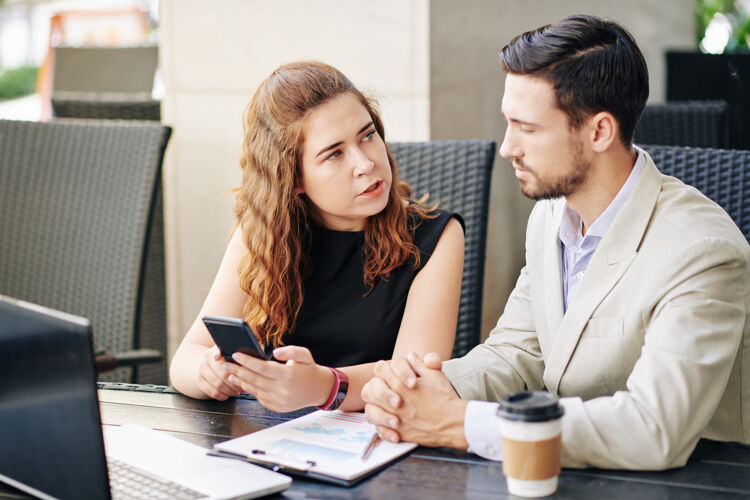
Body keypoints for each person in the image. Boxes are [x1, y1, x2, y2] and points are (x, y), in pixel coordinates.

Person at [362, 14, 750, 470]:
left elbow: (654, 427)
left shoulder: (701, 250)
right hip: (574, 473)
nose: (507, 147)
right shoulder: (550, 216)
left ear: (599, 131)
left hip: (699, 479)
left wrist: (457, 422)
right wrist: (419, 389)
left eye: (527, 128)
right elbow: (519, 350)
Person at [170, 61, 464, 413]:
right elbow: (185, 359)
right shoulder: (263, 233)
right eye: (335, 153)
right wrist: (209, 373)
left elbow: (416, 380)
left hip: (382, 439)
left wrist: (326, 387)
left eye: (367, 135)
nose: (366, 163)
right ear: (293, 179)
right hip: (271, 441)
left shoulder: (437, 236)